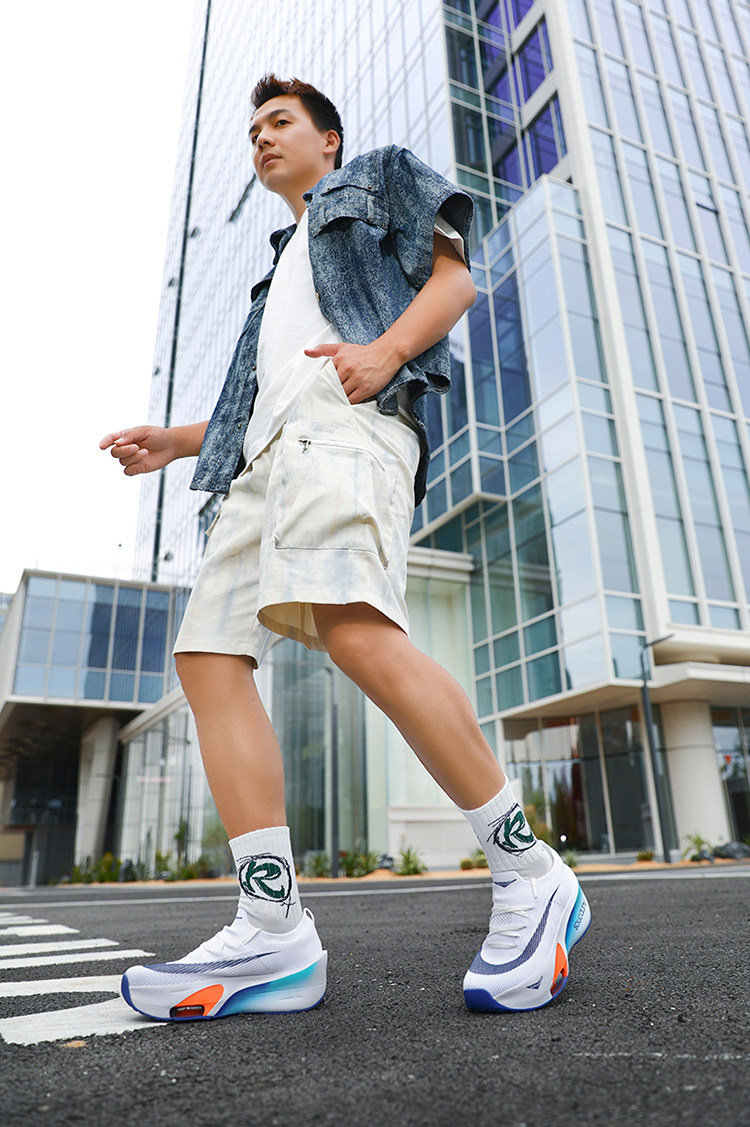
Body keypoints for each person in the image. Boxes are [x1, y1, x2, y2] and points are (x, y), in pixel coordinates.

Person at [101, 75, 590, 1022]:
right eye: (252, 129)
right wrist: (177, 441)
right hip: (260, 463)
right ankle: (273, 926)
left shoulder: (378, 177)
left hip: (347, 425)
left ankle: (531, 868)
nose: (261, 138)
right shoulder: (276, 270)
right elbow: (258, 399)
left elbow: (455, 278)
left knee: (355, 629)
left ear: (327, 139)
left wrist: (388, 351)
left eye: (279, 121)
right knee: (208, 658)